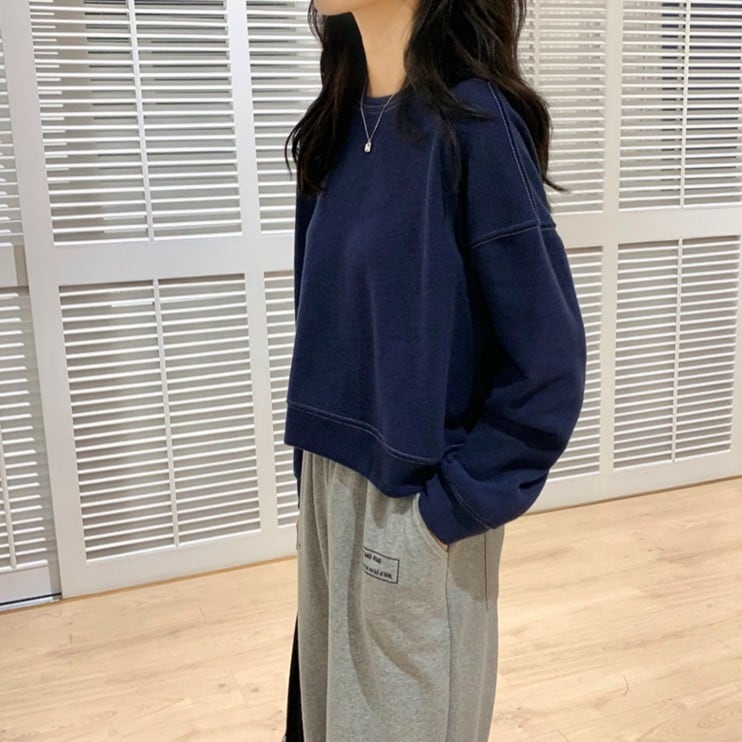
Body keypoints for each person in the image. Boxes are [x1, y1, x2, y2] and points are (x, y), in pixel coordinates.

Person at [281, 0, 587, 740]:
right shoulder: (333, 126)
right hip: (327, 496)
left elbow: (547, 368)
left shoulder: (475, 127)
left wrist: (440, 522)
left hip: (413, 510)